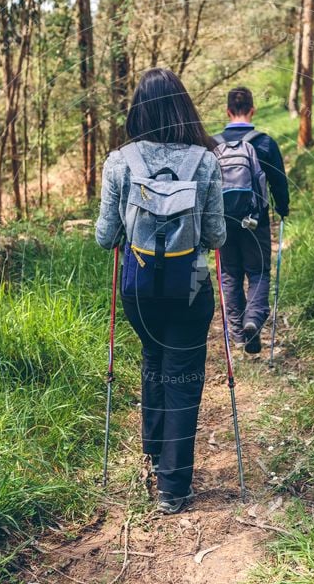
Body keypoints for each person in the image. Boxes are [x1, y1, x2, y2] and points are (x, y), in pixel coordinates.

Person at [95, 68, 226, 515]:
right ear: (183, 106)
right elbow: (216, 235)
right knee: (183, 377)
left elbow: (105, 236)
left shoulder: (119, 161)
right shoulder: (205, 161)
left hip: (139, 287)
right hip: (189, 286)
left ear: (138, 110)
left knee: (153, 358)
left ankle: (152, 456)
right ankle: (174, 487)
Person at [215, 86, 289, 353]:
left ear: (227, 111)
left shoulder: (213, 144)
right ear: (252, 110)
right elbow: (279, 181)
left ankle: (237, 332)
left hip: (223, 222)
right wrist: (283, 208)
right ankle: (253, 321)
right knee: (258, 273)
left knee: (229, 274)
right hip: (256, 221)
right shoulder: (265, 142)